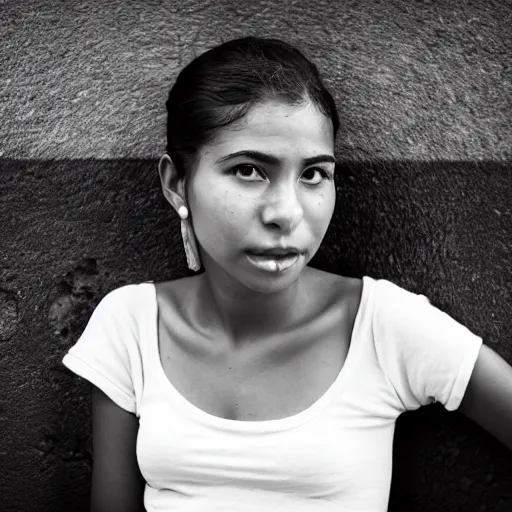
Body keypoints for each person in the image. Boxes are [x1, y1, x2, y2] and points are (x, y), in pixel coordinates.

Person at [62, 37, 512, 512]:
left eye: (314, 175)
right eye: (249, 170)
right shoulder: (130, 324)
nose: (287, 212)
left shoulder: (380, 326)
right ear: (177, 184)